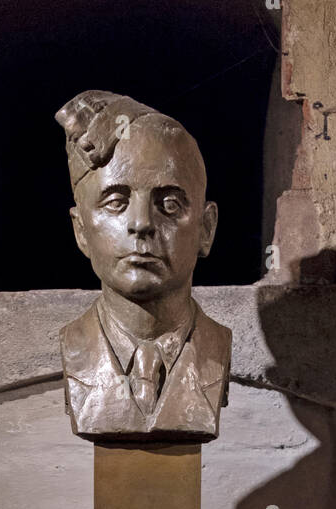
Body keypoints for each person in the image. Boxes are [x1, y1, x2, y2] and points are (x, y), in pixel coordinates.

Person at [56, 90, 232, 442]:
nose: (141, 224)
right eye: (116, 202)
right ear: (80, 231)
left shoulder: (218, 350)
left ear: (206, 229)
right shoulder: (73, 349)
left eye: (168, 203)